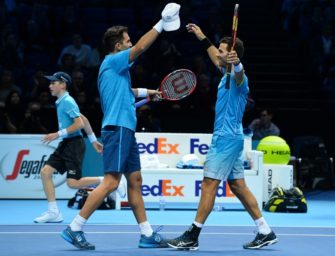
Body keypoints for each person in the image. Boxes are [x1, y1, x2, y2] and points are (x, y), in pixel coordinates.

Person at [61, 3, 181, 251]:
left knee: (135, 181)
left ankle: (146, 234)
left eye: (129, 41)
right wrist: (161, 23)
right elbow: (140, 48)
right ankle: (74, 227)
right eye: (127, 41)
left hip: (126, 130)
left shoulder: (117, 70)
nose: (130, 43)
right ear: (117, 46)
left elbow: (128, 92)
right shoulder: (114, 61)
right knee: (111, 183)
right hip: (117, 129)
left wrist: (151, 93)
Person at [167, 23, 278, 250]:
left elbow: (239, 73)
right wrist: (202, 37)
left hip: (226, 139)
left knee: (209, 184)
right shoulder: (224, 73)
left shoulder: (239, 79)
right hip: (232, 138)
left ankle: (192, 235)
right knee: (237, 185)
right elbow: (215, 57)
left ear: (233, 54)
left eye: (222, 50)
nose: (218, 52)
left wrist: (237, 62)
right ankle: (265, 231)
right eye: (218, 49)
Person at [33, 71, 104, 223]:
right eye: (50, 83)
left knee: (73, 183)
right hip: (67, 143)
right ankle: (53, 212)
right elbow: (84, 119)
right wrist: (93, 140)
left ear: (63, 85)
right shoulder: (62, 101)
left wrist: (56, 134)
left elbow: (78, 123)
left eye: (54, 83)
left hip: (74, 145)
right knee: (46, 172)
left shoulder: (68, 101)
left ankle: (105, 181)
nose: (50, 86)